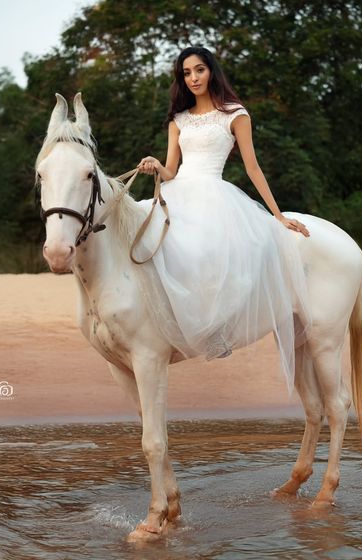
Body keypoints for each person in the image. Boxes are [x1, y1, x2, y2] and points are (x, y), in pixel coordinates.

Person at [135, 46, 311, 391]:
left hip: (214, 194)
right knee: (155, 243)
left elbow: (253, 167)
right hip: (179, 190)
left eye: (199, 70)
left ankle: (216, 332)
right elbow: (171, 171)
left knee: (213, 251)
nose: (193, 78)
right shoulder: (179, 119)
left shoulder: (235, 114)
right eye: (186, 73)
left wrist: (278, 215)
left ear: (212, 72)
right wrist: (156, 165)